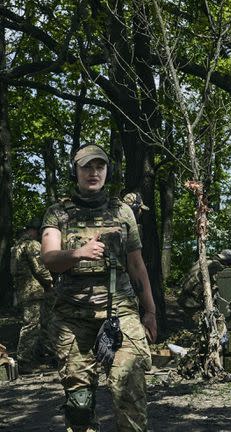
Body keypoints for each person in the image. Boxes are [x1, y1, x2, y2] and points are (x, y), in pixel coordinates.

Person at [41, 144, 156, 432]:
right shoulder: (58, 213)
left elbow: (137, 265)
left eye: (100, 167)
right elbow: (49, 258)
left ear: (108, 170)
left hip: (121, 313)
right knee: (79, 406)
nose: (94, 172)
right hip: (72, 318)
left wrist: (150, 311)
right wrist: (78, 253)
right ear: (75, 171)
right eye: (86, 167)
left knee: (129, 389)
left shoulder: (122, 212)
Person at [10, 217, 54, 371]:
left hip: (24, 290)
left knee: (38, 323)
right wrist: (49, 282)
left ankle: (39, 355)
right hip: (35, 291)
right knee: (32, 325)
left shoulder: (17, 245)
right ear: (36, 230)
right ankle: (25, 361)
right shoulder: (32, 245)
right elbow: (40, 268)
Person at [178, 249, 231, 322]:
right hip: (191, 300)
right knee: (202, 323)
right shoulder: (216, 265)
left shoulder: (203, 259)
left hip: (184, 294)